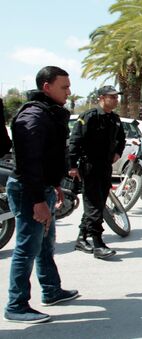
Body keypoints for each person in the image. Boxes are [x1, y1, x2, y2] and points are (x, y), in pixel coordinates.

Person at [4, 66, 79, 323]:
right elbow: (29, 164)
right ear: (46, 87)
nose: (69, 92)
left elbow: (49, 157)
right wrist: (37, 200)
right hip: (29, 190)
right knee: (27, 248)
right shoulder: (33, 117)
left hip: (42, 187)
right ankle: (16, 305)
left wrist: (54, 184)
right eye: (64, 87)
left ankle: (51, 290)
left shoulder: (49, 114)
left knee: (45, 244)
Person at [68, 85, 125, 259]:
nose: (116, 100)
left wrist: (117, 153)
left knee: (98, 203)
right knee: (93, 204)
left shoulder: (114, 119)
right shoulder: (89, 117)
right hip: (90, 167)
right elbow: (75, 142)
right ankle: (98, 243)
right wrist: (72, 165)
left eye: (116, 97)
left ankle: (81, 237)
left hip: (105, 167)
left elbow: (121, 139)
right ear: (101, 98)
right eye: (112, 97)